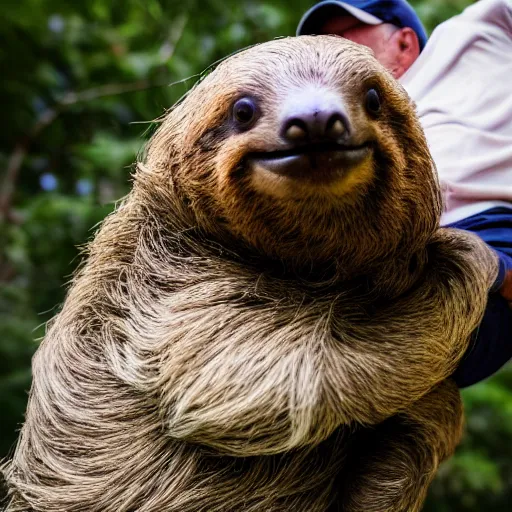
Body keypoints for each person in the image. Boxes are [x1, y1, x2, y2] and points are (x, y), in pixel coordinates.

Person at [297, 0, 512, 387]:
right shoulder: (334, 124)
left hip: (482, 234)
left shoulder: (470, 36)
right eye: (322, 43)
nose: (331, 50)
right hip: (378, 257)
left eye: (345, 35)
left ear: (404, 43)